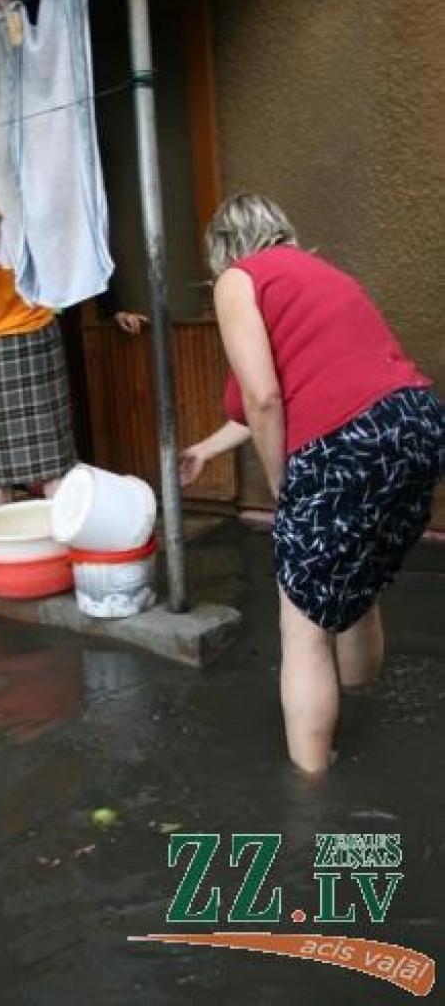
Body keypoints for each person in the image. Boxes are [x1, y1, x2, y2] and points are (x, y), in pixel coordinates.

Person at [180, 192, 443, 775]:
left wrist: (283, 484)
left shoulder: (237, 281)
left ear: (223, 248)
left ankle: (312, 795)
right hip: (416, 425)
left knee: (301, 628)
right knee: (359, 584)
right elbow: (272, 398)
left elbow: (265, 396)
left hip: (347, 443)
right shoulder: (321, 275)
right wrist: (206, 448)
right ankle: (361, 704)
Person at [0, 193, 145, 505]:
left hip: (36, 337)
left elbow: (78, 259)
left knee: (53, 460)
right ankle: (10, 544)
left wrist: (113, 307)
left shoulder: (29, 218)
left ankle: (62, 538)